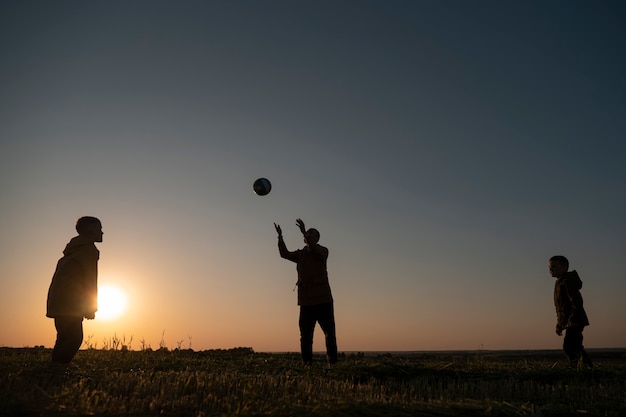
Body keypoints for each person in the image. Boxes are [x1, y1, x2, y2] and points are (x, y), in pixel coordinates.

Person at [274, 218, 338, 365]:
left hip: (323, 301)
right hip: (306, 301)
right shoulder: (301, 254)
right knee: (306, 336)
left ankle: (333, 363)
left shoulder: (322, 251)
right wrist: (280, 237)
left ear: (316, 239)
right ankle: (307, 364)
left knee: (330, 334)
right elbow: (284, 254)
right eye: (307, 234)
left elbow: (315, 249)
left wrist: (304, 231)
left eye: (311, 234)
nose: (308, 235)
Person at [46, 216, 103, 364]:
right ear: (90, 231)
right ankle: (58, 368)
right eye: (99, 229)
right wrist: (91, 307)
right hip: (71, 300)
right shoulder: (89, 250)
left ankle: (53, 370)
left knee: (64, 337)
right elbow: (90, 279)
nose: (102, 232)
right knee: (74, 338)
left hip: (57, 299)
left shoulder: (72, 250)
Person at [548, 255, 592, 368]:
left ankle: (581, 367)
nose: (550, 269)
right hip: (570, 321)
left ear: (564, 268)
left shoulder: (567, 281)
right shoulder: (559, 282)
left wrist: (572, 319)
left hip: (575, 320)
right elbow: (561, 307)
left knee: (570, 346)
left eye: (553, 266)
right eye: (549, 267)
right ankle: (582, 366)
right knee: (574, 346)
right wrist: (560, 324)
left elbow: (576, 301)